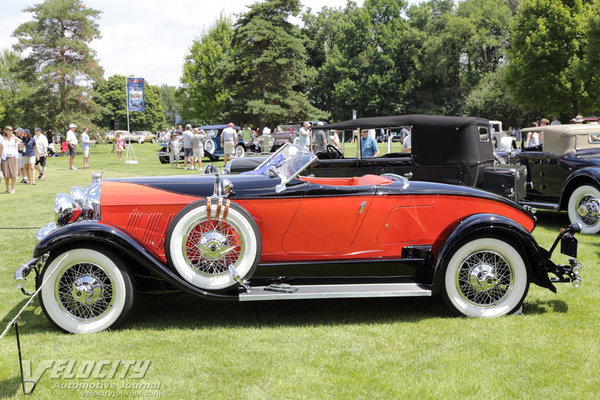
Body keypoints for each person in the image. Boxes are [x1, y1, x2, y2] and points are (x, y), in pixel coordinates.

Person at [1, 126, 23, 193]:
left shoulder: (15, 138)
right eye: (9, 130)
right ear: (6, 131)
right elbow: (0, 149)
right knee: (6, 174)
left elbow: (21, 148)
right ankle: (7, 188)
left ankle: (13, 189)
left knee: (13, 174)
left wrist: (20, 141)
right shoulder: (2, 139)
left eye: (11, 130)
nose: (11, 131)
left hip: (13, 157)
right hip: (5, 158)